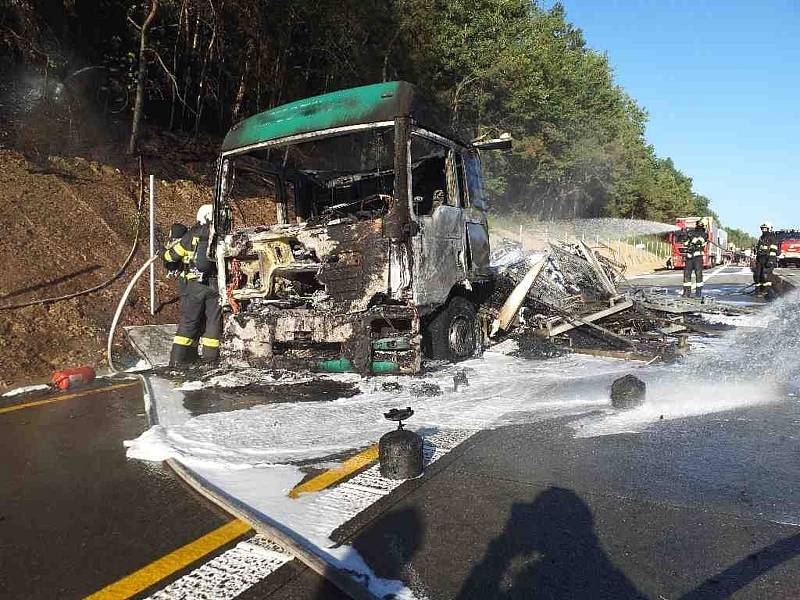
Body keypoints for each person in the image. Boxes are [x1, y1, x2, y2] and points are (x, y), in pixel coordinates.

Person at [163, 204, 222, 366]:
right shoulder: (222, 235)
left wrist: (163, 253)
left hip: (195, 286)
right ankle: (210, 362)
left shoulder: (192, 234)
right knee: (213, 324)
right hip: (217, 287)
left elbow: (172, 256)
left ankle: (177, 362)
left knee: (189, 323)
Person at [754, 221, 779, 299]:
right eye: (762, 228)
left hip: (768, 260)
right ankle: (758, 291)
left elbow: (773, 250)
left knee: (766, 276)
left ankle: (766, 291)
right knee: (757, 276)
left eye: (765, 228)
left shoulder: (772, 237)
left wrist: (770, 260)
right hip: (760, 259)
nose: (763, 230)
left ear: (769, 229)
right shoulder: (761, 237)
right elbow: (758, 249)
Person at [682, 222, 707, 298]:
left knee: (698, 275)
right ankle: (686, 292)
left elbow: (700, 241)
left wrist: (692, 237)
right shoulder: (691, 233)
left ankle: (698, 293)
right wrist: (686, 236)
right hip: (689, 256)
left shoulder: (704, 234)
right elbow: (685, 243)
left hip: (698, 257)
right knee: (686, 274)